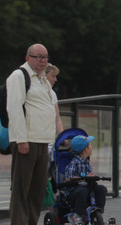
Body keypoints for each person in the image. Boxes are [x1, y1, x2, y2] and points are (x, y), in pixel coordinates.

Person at [7, 45, 57, 225]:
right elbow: (14, 109)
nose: (42, 61)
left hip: (42, 141)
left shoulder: (43, 79)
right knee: (22, 190)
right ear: (28, 58)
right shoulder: (19, 76)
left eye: (45, 57)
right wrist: (21, 140)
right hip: (27, 141)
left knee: (37, 191)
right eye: (38, 57)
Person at [61, 135, 106, 222]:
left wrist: (92, 176)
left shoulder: (87, 162)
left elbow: (89, 174)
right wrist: (83, 178)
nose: (91, 147)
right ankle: (79, 215)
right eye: (90, 146)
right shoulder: (74, 163)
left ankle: (97, 211)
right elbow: (68, 179)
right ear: (85, 149)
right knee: (82, 191)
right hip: (74, 191)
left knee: (101, 189)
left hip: (87, 188)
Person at [45, 64, 64, 138]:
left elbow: (57, 119)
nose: (55, 79)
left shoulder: (53, 94)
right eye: (53, 76)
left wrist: (62, 137)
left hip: (49, 138)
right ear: (44, 76)